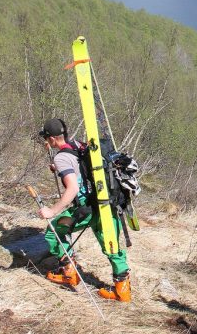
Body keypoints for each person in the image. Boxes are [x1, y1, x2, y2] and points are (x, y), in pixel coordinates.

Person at [37, 118, 131, 302]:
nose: (46, 142)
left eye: (47, 139)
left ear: (53, 139)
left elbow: (72, 189)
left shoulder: (61, 157)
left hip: (85, 210)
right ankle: (123, 290)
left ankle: (68, 272)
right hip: (104, 204)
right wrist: (59, 168)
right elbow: (81, 168)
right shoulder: (78, 145)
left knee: (54, 231)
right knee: (111, 245)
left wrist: (52, 211)